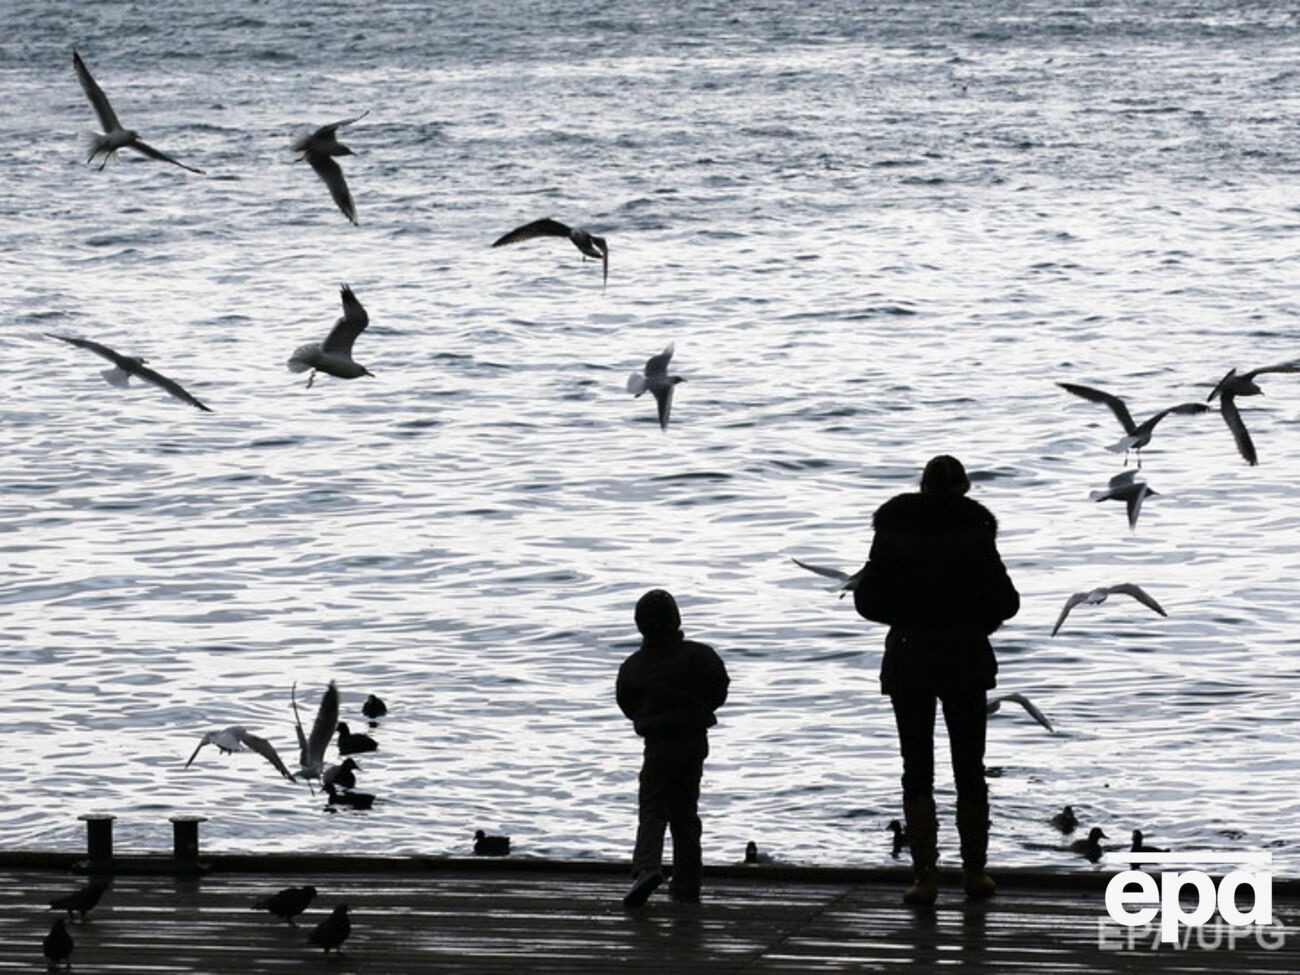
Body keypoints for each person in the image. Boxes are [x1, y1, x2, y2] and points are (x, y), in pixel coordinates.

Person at [853, 455, 1019, 906]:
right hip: (965, 657)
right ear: (964, 487)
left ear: (921, 486)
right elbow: (1007, 602)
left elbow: (867, 602)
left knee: (916, 768)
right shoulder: (976, 531)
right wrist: (973, 620)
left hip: (909, 657)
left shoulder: (892, 530)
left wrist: (906, 616)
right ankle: (974, 873)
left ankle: (924, 877)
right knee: (970, 767)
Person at [616, 589, 730, 907]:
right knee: (685, 813)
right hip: (693, 740)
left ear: (640, 627)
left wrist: (647, 715)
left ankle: (647, 867)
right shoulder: (699, 655)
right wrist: (699, 708)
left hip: (657, 743)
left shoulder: (634, 666)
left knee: (652, 808)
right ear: (676, 619)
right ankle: (687, 883)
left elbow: (626, 702)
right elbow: (719, 688)